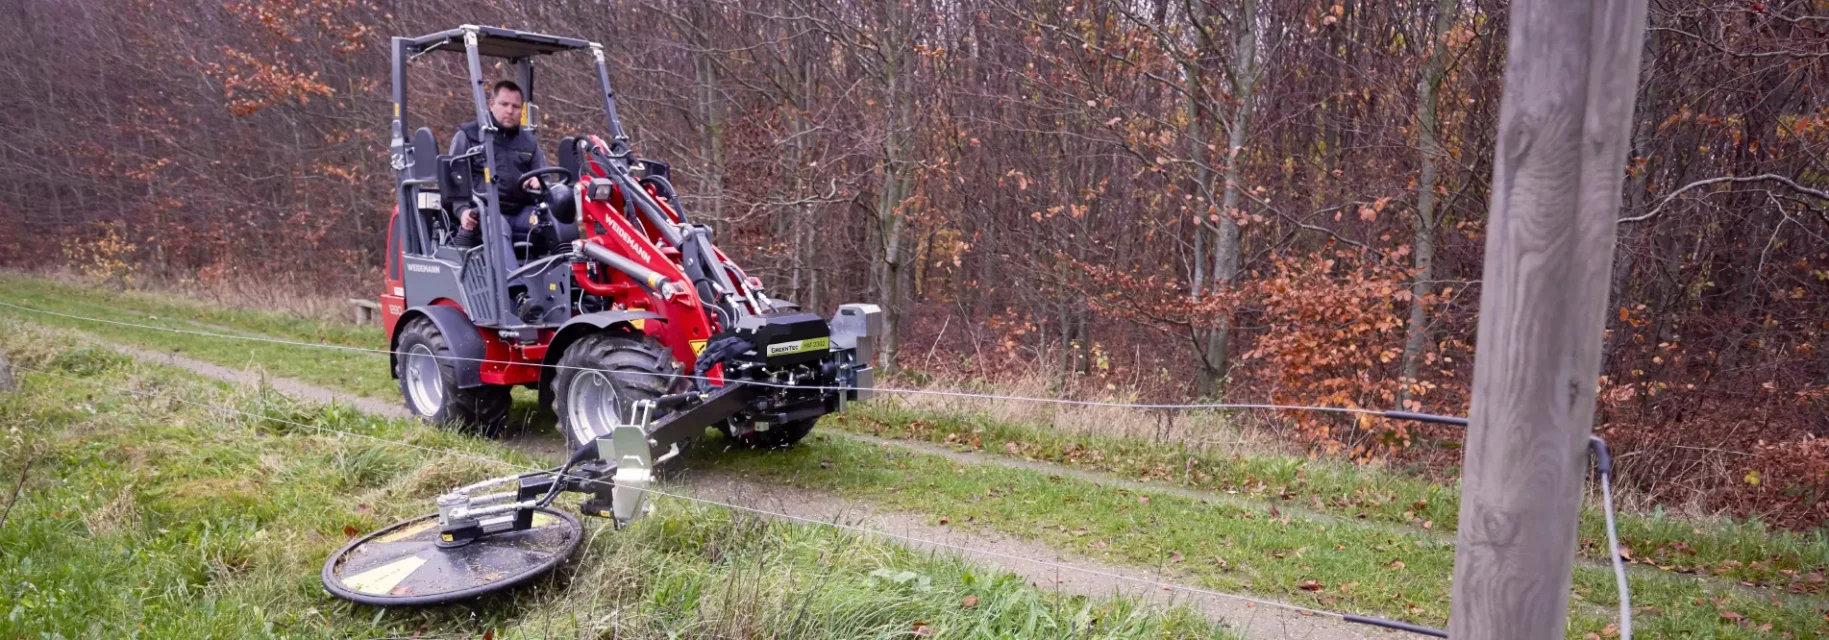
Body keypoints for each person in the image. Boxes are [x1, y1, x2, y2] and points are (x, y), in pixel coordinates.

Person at [450, 80, 549, 254]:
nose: (510, 111)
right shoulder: (469, 136)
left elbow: (545, 181)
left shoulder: (529, 142)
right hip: (483, 211)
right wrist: (462, 211)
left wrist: (539, 183)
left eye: (516, 106)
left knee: (554, 221)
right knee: (497, 226)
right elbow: (454, 180)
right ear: (491, 104)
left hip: (520, 212)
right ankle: (510, 273)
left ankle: (570, 270)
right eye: (504, 104)